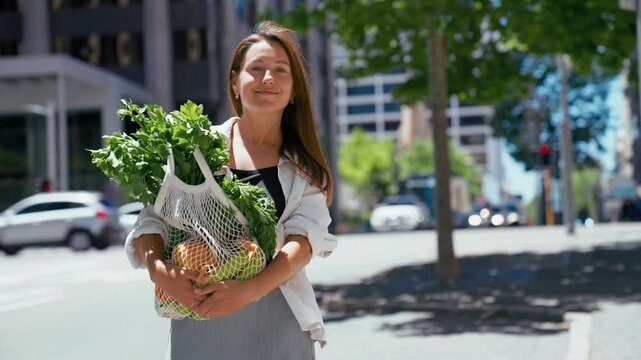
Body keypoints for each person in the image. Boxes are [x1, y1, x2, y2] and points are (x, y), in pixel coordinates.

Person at [124, 21, 336, 360]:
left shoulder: (303, 167)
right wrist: (161, 272)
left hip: (278, 321)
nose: (268, 78)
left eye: (281, 71)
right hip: (199, 321)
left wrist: (249, 291)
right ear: (235, 83)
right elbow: (152, 221)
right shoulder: (194, 149)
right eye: (256, 69)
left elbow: (304, 240)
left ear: (294, 90)